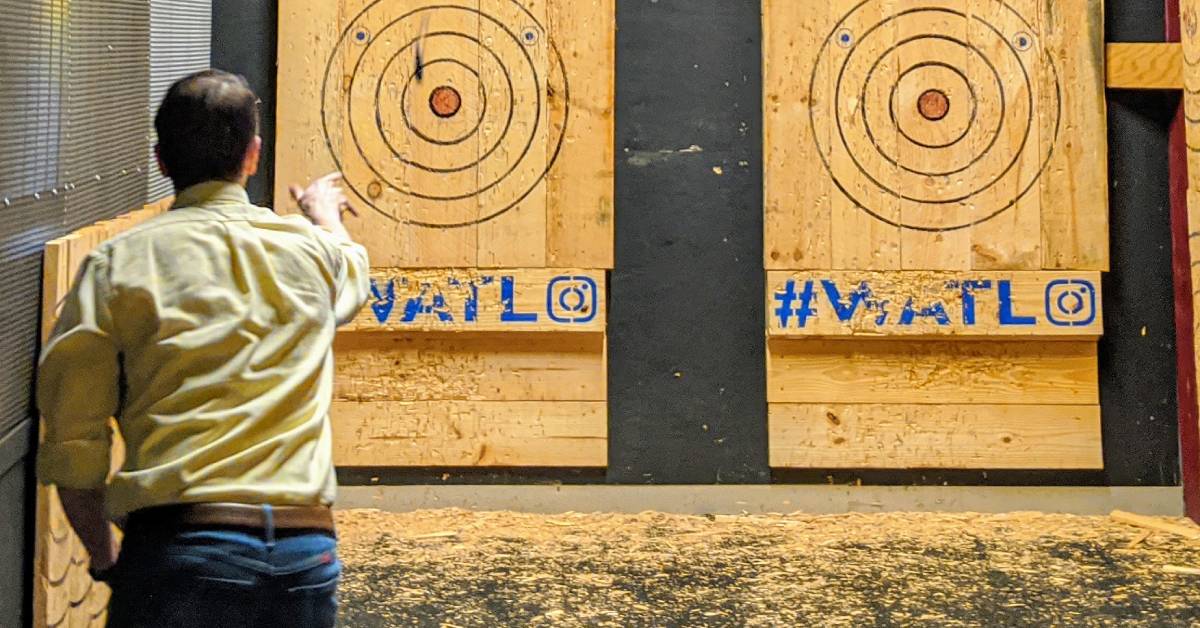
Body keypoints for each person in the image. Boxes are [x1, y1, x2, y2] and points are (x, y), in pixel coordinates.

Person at [36, 69, 370, 627]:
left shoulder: (117, 266)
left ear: (161, 159)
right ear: (253, 155)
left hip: (179, 549)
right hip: (304, 552)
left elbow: (75, 443)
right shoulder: (311, 254)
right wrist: (324, 215)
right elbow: (353, 272)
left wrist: (103, 559)